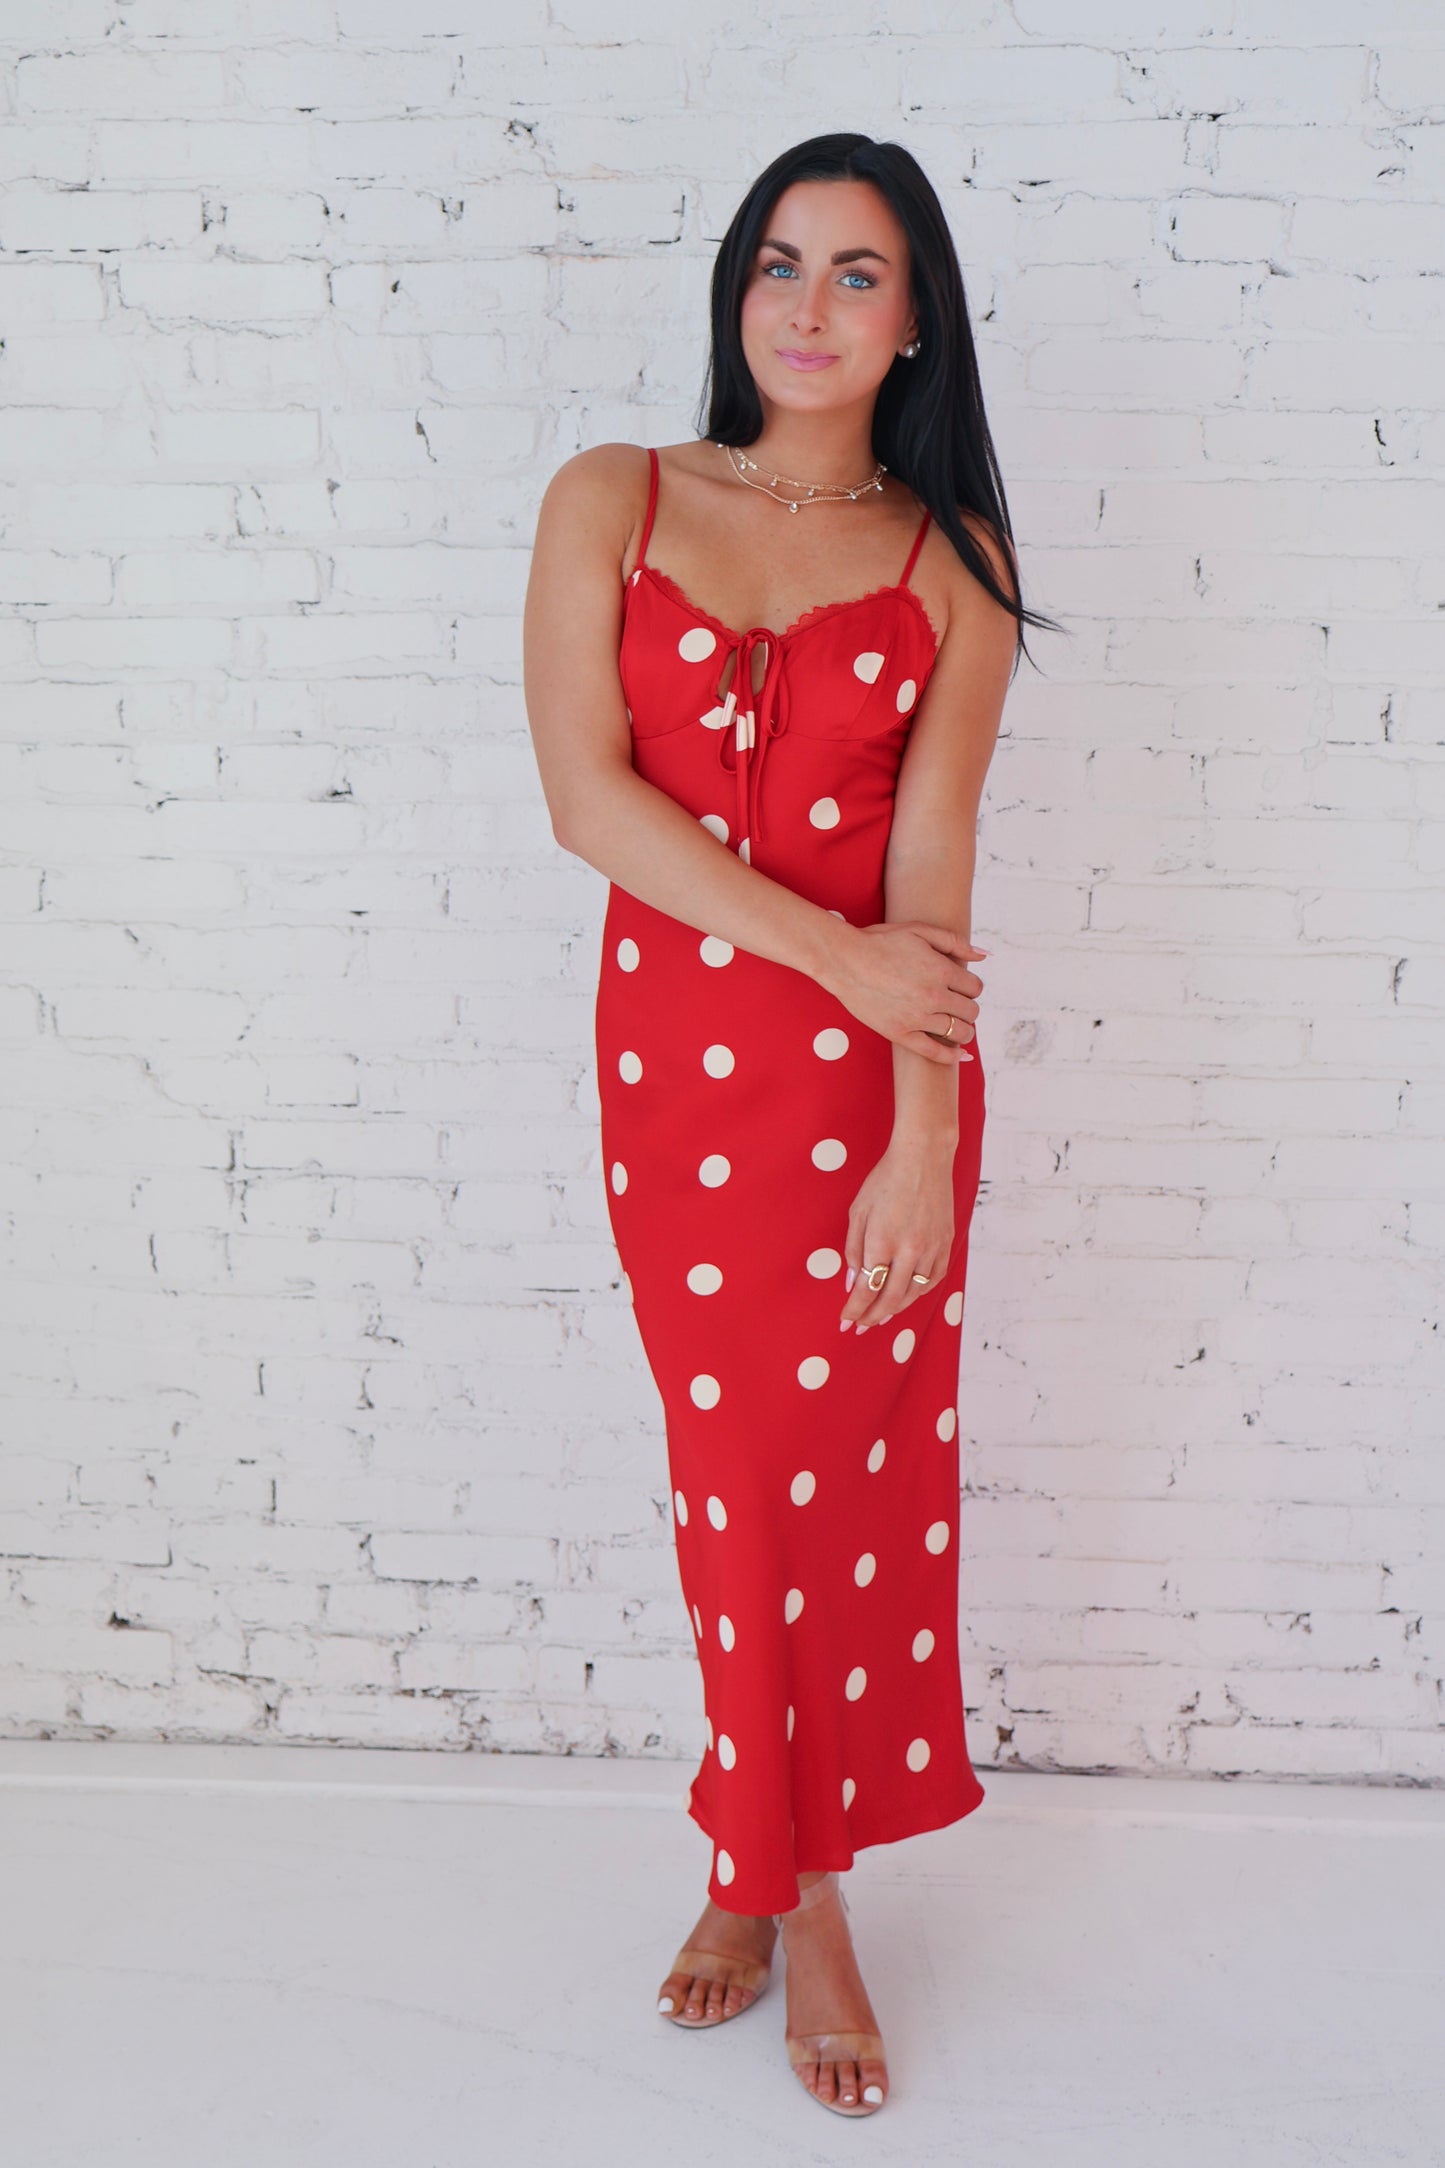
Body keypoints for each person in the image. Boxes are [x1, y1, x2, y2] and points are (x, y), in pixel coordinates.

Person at [524, 132, 1047, 2120]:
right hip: (688, 1080)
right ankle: (779, 1870)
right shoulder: (615, 499)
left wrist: (924, 1140)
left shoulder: (951, 566)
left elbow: (937, 879)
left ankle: (784, 1887)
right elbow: (591, 801)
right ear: (737, 293)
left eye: (857, 274)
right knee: (733, 1476)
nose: (809, 306)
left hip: (872, 1103)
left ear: (916, 323)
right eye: (780, 264)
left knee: (845, 1493)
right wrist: (826, 967)